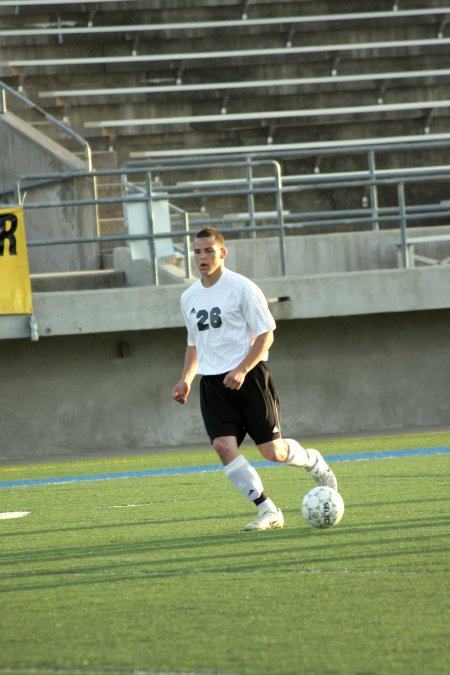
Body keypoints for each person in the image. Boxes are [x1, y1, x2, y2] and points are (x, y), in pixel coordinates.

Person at [171, 227, 337, 531]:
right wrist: (186, 379)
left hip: (250, 379)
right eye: (197, 251)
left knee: (272, 452)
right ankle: (267, 509)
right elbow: (193, 344)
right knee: (223, 446)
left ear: (222, 252)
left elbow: (266, 335)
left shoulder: (242, 287)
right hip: (213, 385)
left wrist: (242, 369)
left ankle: (314, 462)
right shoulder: (188, 297)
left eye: (209, 250)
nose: (202, 257)